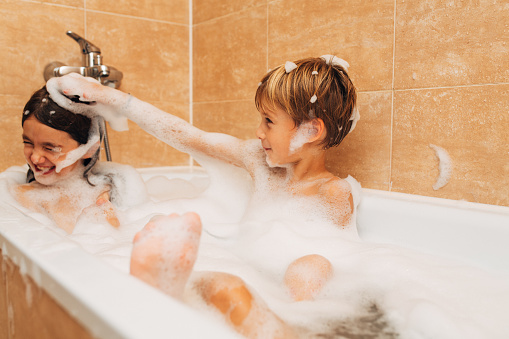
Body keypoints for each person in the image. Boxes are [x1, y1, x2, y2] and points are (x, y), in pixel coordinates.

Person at [47, 55, 360, 338]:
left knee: (306, 266)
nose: (258, 132)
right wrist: (109, 97)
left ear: (310, 131)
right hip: (254, 271)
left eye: (268, 121)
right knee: (219, 284)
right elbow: (187, 136)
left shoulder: (332, 193)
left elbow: (340, 266)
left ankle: (291, 329)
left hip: (295, 299)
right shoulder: (259, 161)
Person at [10, 86, 147, 234]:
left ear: (89, 148)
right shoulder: (20, 197)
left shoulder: (112, 192)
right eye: (28, 143)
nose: (35, 158)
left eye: (50, 148)